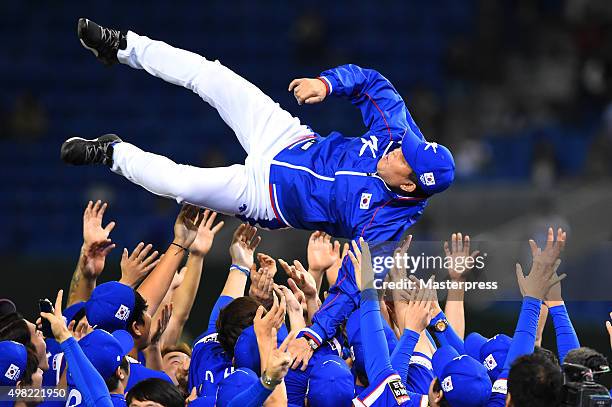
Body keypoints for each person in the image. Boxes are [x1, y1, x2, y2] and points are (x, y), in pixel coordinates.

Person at [61, 18, 455, 365]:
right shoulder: (399, 134)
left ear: (409, 185)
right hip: (291, 138)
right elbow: (371, 82)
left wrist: (315, 334)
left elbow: (354, 284)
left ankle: (112, 153)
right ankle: (123, 45)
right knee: (212, 76)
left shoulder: (387, 225)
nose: (403, 150)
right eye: (411, 147)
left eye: (409, 160)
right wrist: (327, 83)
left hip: (267, 197)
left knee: (180, 185)